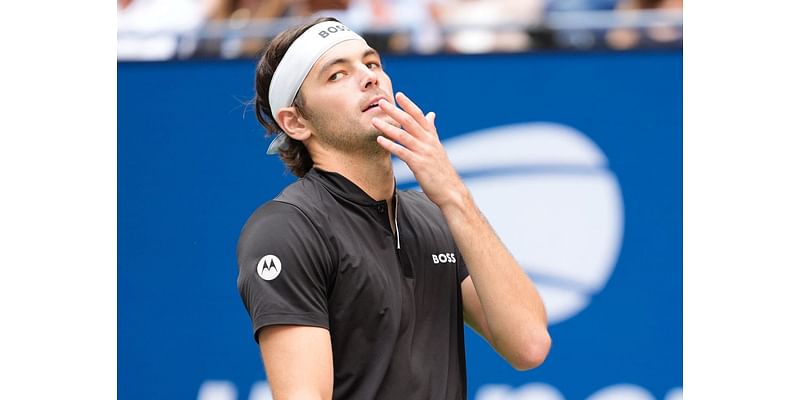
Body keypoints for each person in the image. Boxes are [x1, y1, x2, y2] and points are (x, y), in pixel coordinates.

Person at [236, 17, 551, 399]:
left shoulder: (436, 214)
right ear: (296, 122)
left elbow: (529, 345)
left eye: (371, 64)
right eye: (336, 75)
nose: (370, 78)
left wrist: (454, 195)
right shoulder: (287, 227)